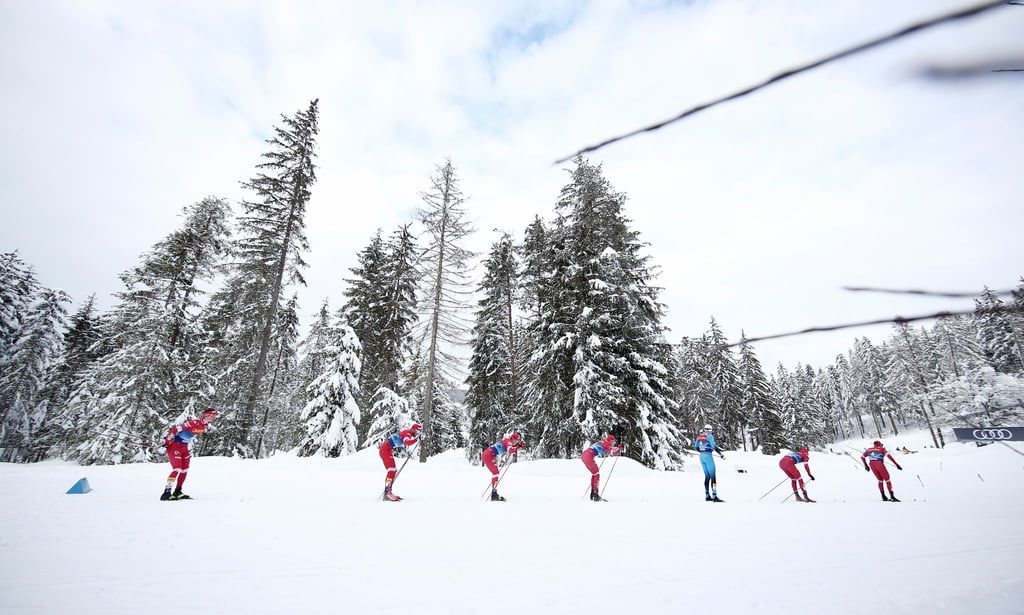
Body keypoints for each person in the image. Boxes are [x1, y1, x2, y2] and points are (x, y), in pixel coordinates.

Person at [160, 408, 218, 500]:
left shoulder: (205, 426)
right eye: (213, 415)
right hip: (175, 446)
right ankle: (166, 493)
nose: (214, 417)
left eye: (215, 416)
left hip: (184, 447)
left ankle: (177, 491)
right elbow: (176, 430)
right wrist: (167, 442)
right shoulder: (194, 423)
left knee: (185, 469)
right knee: (177, 469)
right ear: (207, 415)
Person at [379, 422, 421, 501]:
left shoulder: (407, 433)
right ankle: (387, 493)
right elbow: (406, 442)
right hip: (385, 450)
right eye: (417, 432)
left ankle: (388, 491)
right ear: (414, 430)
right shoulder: (408, 433)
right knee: (391, 470)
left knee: (393, 470)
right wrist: (416, 439)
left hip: (387, 449)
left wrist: (416, 439)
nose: (417, 434)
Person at [482, 432, 526, 501]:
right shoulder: (508, 442)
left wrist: (518, 445)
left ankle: (494, 493)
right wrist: (519, 446)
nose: (516, 442)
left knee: (496, 473)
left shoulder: (507, 440)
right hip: (488, 455)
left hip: (489, 455)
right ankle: (494, 494)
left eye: (518, 441)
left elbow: (511, 447)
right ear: (513, 439)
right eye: (517, 440)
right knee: (496, 473)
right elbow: (511, 450)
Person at [581, 433, 623, 502]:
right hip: (589, 456)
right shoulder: (607, 444)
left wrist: (618, 447)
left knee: (594, 473)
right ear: (611, 441)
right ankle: (595, 494)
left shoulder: (603, 441)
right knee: (596, 474)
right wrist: (620, 447)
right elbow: (613, 452)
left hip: (584, 455)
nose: (613, 443)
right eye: (613, 442)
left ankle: (593, 493)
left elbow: (611, 449)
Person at [694, 424, 726, 502]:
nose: (711, 431)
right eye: (711, 430)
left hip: (701, 457)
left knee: (707, 476)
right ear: (709, 430)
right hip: (708, 457)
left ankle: (707, 495)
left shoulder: (700, 436)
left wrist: (703, 451)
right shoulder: (710, 436)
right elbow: (714, 446)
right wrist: (721, 454)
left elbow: (696, 447)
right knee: (713, 477)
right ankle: (714, 496)